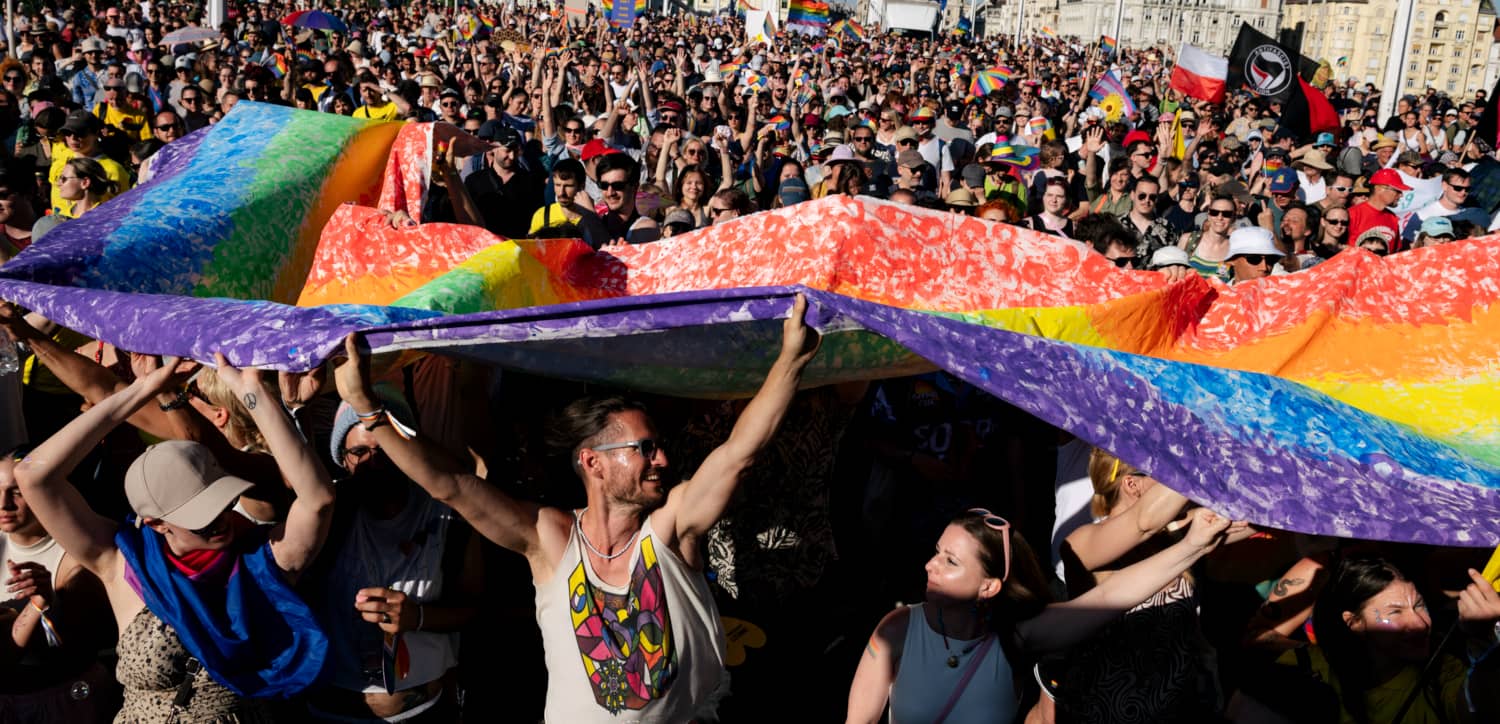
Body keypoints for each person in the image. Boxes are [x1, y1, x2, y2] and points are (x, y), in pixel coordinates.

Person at [330, 294, 820, 722]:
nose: (662, 460)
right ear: (593, 462)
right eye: (644, 449)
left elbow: (737, 455)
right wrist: (368, 411)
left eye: (659, 447)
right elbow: (453, 487)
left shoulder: (670, 528)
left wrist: (791, 362)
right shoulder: (551, 538)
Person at [14, 354, 336, 720]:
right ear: (156, 523)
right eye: (199, 516)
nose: (218, 520)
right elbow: (33, 476)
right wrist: (141, 390)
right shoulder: (121, 562)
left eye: (221, 503)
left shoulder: (262, 560)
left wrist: (253, 393)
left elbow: (318, 500)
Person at [844, 505, 1237, 723]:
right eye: (937, 552)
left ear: (988, 587)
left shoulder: (1013, 637)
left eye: (950, 561)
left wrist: (1192, 546)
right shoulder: (896, 630)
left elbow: (1111, 596)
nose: (930, 565)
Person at [1055, 450, 1230, 722]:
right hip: (1110, 713)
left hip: (1181, 711)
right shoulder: (1083, 541)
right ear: (1132, 483)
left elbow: (1250, 522)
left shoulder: (1171, 533)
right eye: (1164, 473)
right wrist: (1202, 457)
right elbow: (1143, 522)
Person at [0, 449, 120, 722]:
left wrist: (47, 601)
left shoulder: (76, 555)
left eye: (17, 492)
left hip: (63, 703)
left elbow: (80, 649)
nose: (4, 503)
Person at [1347, 169, 1408, 254]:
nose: (1401, 195)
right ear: (1379, 189)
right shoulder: (1352, 214)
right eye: (1397, 191)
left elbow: (1395, 252)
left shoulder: (1392, 218)